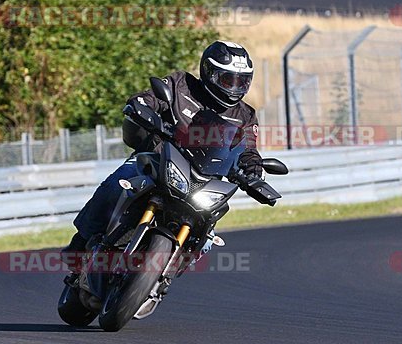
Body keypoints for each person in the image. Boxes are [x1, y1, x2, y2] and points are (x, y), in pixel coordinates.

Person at [62, 41, 264, 263]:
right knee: (117, 183)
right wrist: (142, 107)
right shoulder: (182, 84)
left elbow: (248, 151)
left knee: (209, 233)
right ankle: (80, 245)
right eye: (228, 79)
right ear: (209, 72)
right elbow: (149, 98)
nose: (234, 88)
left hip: (204, 180)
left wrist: (254, 171)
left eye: (241, 81)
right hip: (160, 158)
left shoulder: (245, 115)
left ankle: (164, 277)